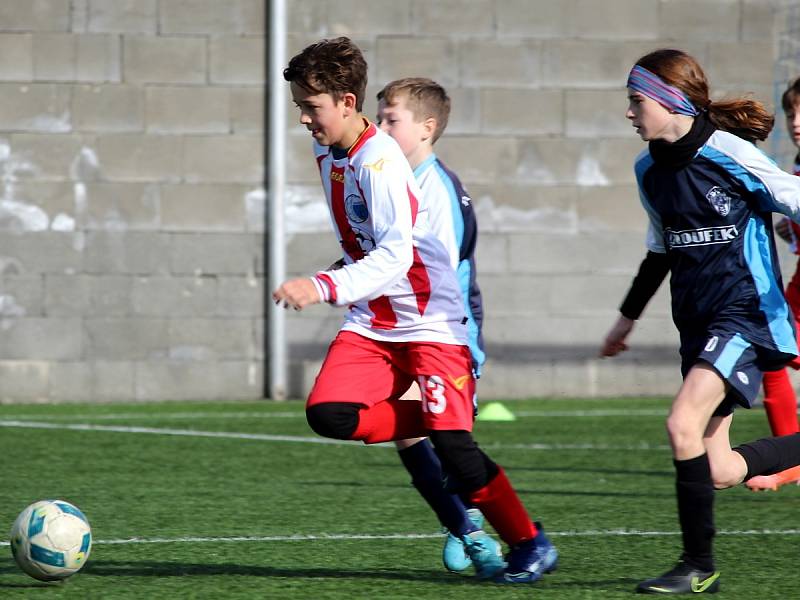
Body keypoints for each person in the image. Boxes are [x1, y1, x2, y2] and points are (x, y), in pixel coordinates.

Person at [274, 37, 557, 584]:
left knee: (457, 452)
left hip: (429, 322)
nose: (305, 120)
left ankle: (529, 544)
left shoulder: (380, 164)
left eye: (312, 108)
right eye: (300, 108)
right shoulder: (330, 147)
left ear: (347, 102)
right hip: (375, 323)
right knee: (327, 414)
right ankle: (441, 416)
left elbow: (395, 256)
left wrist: (323, 285)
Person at [605, 48, 800, 595]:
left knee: (681, 424)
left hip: (745, 314)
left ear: (670, 102)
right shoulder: (648, 170)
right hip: (697, 325)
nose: (629, 113)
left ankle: (697, 566)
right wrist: (626, 320)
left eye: (635, 101)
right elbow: (659, 251)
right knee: (720, 469)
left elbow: (793, 196)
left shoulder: (729, 153)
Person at [375, 77, 486, 574]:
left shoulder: (437, 192)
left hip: (443, 332)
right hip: (407, 329)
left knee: (438, 435)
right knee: (409, 431)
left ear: (427, 127)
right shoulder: (395, 180)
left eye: (390, 119)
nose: (378, 128)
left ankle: (490, 530)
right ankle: (466, 522)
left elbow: (428, 274)